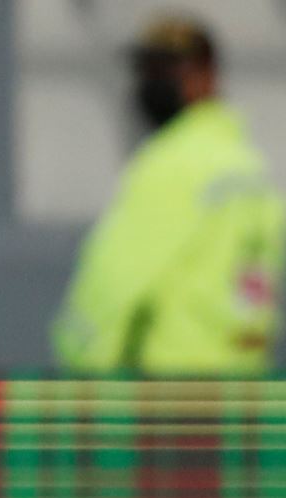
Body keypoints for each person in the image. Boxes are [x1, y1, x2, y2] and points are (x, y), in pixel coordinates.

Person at [53, 13, 284, 375]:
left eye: (166, 71)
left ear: (207, 75)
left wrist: (80, 360)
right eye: (147, 70)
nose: (150, 83)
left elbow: (114, 279)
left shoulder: (171, 165)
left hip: (170, 393)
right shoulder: (252, 170)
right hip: (245, 390)